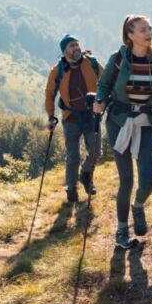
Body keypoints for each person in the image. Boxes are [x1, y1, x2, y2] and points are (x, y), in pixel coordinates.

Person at [93, 14, 152, 249]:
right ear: (130, 35)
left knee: (146, 181)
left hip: (146, 121)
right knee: (126, 179)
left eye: (150, 29)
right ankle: (121, 231)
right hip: (119, 121)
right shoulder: (118, 59)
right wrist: (99, 100)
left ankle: (138, 206)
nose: (149, 33)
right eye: (143, 29)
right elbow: (104, 85)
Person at [44, 34, 102, 203]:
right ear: (64, 51)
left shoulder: (91, 63)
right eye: (71, 46)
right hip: (70, 118)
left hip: (91, 116)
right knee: (72, 156)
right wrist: (51, 116)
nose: (76, 48)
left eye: (77, 44)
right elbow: (49, 94)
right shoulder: (57, 70)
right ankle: (71, 187)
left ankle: (85, 175)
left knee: (96, 151)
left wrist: (104, 102)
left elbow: (105, 81)